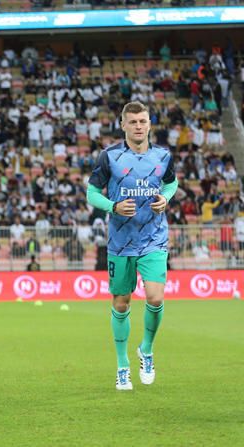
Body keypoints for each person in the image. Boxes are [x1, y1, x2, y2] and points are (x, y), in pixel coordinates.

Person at [86, 101, 177, 391]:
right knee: (121, 302)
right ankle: (122, 366)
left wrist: (166, 198)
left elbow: (171, 183)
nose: (138, 126)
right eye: (133, 122)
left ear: (149, 124)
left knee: (154, 298)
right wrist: (112, 205)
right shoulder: (109, 156)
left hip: (154, 238)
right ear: (123, 124)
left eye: (142, 121)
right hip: (120, 242)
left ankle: (146, 350)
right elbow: (91, 193)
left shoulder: (163, 156)